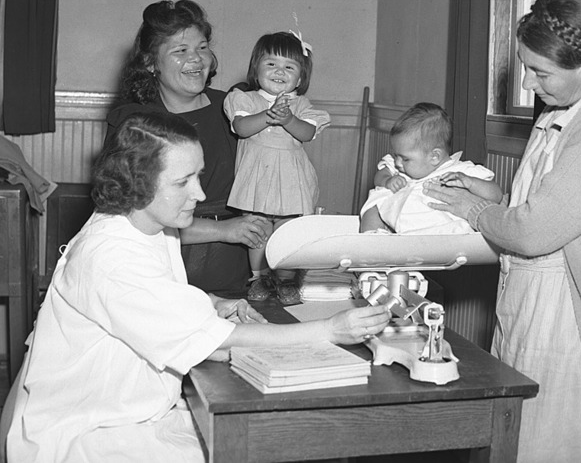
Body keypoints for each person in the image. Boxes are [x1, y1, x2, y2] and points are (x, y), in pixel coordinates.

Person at [5, 112, 389, 462]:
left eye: (198, 175)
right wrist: (332, 329)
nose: (200, 194)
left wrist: (212, 301)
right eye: (183, 181)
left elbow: (154, 291)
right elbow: (220, 343)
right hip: (86, 430)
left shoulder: (146, 223)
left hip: (132, 411)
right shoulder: (112, 254)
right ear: (138, 183)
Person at [424, 0, 581, 463]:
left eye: (540, 72)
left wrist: (476, 215)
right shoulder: (564, 106)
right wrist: (491, 198)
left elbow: (534, 231)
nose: (528, 81)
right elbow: (539, 203)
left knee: (572, 443)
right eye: (525, 66)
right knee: (530, 438)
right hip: (542, 306)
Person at [106, 0, 269, 293]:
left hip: (239, 271)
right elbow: (130, 216)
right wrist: (224, 230)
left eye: (203, 47)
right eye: (180, 51)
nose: (196, 59)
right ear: (150, 62)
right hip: (162, 275)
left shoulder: (237, 109)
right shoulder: (135, 123)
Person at [223, 32, 330, 300]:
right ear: (255, 69)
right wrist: (269, 115)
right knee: (258, 229)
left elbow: (306, 133)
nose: (279, 71)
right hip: (258, 177)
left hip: (292, 179)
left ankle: (285, 280)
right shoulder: (245, 99)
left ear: (301, 78)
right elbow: (242, 128)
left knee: (286, 231)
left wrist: (288, 119)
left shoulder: (302, 105)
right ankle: (258, 279)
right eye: (271, 64)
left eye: (289, 67)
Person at [359, 102, 494, 235]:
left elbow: (496, 195)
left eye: (405, 159)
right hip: (399, 233)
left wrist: (470, 182)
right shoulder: (398, 169)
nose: (398, 163)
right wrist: (387, 180)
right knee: (376, 199)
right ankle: (372, 238)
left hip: (442, 235)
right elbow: (380, 175)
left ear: (434, 156)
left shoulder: (461, 172)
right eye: (396, 155)